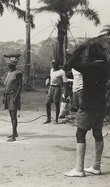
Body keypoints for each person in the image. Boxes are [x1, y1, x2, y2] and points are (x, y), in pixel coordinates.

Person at [64, 42, 109, 177]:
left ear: (91, 54)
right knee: (97, 133)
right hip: (101, 106)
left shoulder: (88, 66)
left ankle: (79, 169)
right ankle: (96, 166)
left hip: (88, 105)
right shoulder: (107, 66)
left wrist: (81, 47)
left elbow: (69, 64)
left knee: (80, 134)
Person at [3, 54, 23, 142]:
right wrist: (4, 96)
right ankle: (14, 133)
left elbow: (20, 86)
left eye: (9, 64)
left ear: (13, 64)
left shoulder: (17, 73)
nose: (7, 65)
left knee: (14, 115)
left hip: (13, 96)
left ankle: (13, 137)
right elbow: (6, 86)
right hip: (8, 95)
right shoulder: (7, 73)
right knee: (11, 115)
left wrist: (16, 96)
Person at [44, 59, 67, 124]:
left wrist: (64, 91)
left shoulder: (62, 72)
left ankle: (56, 119)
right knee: (47, 102)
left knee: (56, 103)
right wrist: (48, 87)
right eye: (52, 63)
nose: (53, 65)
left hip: (57, 87)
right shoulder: (51, 70)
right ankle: (48, 118)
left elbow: (65, 82)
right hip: (51, 87)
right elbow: (51, 78)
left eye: (55, 64)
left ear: (58, 64)